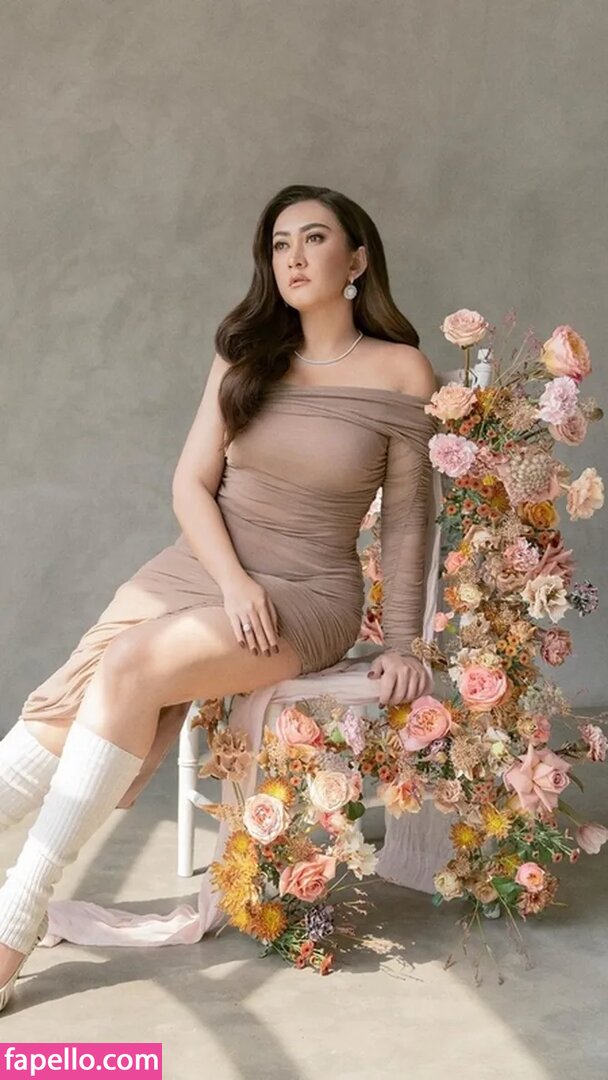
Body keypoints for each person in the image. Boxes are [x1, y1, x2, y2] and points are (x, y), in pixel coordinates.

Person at [0, 182, 439, 1011]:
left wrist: (404, 643)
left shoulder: (401, 371)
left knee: (127, 665)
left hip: (308, 593)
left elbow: (409, 520)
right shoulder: (245, 352)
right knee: (65, 707)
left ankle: (13, 921)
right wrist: (233, 582)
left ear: (357, 259)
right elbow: (190, 485)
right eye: (279, 244)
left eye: (315, 239)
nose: (294, 258)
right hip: (205, 567)